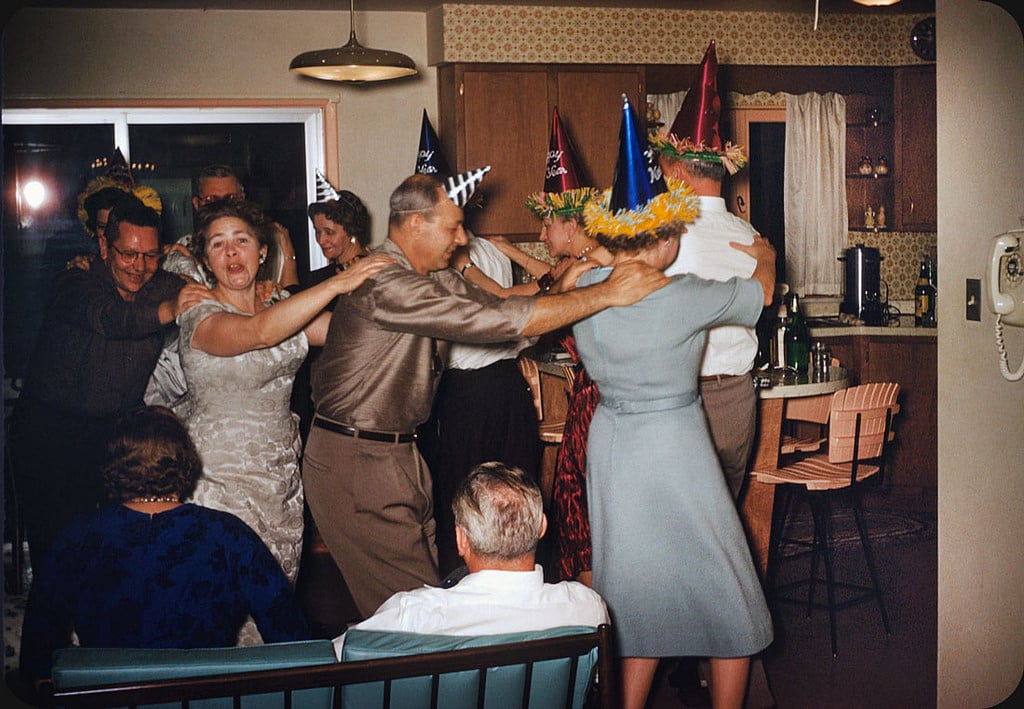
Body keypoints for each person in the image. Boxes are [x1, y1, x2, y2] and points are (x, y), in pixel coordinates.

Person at [302, 171, 669, 620]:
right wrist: (607, 294)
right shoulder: (389, 282)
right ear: (415, 223)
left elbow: (495, 304)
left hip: (393, 451)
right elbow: (495, 322)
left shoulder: (429, 274)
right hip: (357, 457)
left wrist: (563, 283)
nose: (461, 238)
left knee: (427, 594)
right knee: (412, 619)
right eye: (452, 226)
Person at [574, 96, 774, 709]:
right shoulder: (688, 294)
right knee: (730, 588)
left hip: (611, 443)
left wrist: (607, 254)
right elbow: (762, 293)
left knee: (631, 587)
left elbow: (599, 264)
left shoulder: (584, 288)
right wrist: (765, 253)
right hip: (676, 444)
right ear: (664, 242)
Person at [18, 406, 310, 687]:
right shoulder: (228, 534)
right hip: (205, 700)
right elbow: (293, 641)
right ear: (185, 462)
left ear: (112, 468)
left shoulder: (78, 537)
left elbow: (37, 656)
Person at [8, 193, 207, 566]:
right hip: (50, 436)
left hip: (114, 435)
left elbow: (212, 303)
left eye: (150, 255)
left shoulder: (164, 283)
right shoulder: (74, 281)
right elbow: (112, 319)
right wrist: (169, 309)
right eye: (128, 254)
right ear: (104, 245)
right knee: (58, 555)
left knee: (119, 552)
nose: (139, 266)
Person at [412, 113, 542, 577]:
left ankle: (509, 576)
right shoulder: (451, 257)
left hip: (491, 387)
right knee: (478, 491)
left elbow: (503, 314)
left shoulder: (478, 250)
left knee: (504, 485)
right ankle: (477, 579)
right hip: (472, 388)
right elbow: (500, 305)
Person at [332, 461, 608, 659]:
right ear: (542, 526)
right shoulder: (586, 609)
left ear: (461, 539)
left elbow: (332, 659)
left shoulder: (413, 615)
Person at [652, 39, 760, 502]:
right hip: (739, 400)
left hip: (684, 400)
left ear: (678, 171)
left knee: (681, 531)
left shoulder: (663, 236)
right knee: (725, 519)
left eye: (664, 166)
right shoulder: (751, 234)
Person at [145, 163, 298, 414]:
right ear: (196, 204)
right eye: (211, 200)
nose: (220, 206)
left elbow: (285, 305)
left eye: (230, 199)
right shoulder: (178, 255)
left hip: (261, 385)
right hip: (189, 398)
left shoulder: (266, 247)